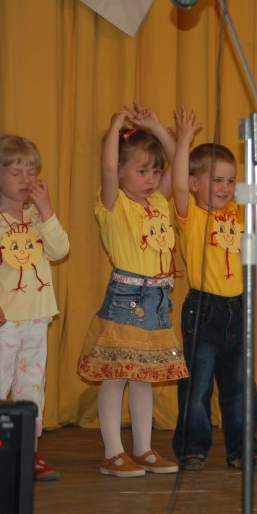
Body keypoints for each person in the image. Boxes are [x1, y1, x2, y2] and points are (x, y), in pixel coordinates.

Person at [77, 104, 188, 477]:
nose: (152, 179)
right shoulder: (114, 203)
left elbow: (178, 163)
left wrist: (156, 127)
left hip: (157, 299)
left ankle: (143, 449)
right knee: (116, 375)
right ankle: (113, 452)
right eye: (142, 171)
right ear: (122, 171)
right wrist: (114, 128)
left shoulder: (157, 202)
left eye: (155, 171)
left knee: (145, 377)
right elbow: (108, 168)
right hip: (128, 298)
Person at [170, 108, 257, 471]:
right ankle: (192, 446)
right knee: (197, 385)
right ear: (195, 183)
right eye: (216, 180)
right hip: (204, 310)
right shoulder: (192, 215)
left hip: (238, 308)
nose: (225, 188)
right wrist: (184, 140)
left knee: (240, 386)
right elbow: (178, 185)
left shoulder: (239, 210)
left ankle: (242, 447)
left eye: (230, 180)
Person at [0, 134, 70, 481]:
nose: (27, 179)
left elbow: (60, 250)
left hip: (37, 318)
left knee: (32, 388)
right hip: (5, 321)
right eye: (17, 172)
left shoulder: (38, 217)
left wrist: (47, 210)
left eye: (31, 172)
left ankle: (28, 453)